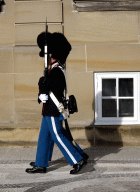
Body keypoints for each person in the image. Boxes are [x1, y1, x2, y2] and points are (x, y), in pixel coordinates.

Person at [25, 32, 89, 174]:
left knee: (57, 136)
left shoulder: (56, 71)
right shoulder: (54, 70)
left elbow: (46, 85)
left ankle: (77, 160)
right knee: (44, 136)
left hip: (53, 109)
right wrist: (41, 91)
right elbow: (46, 86)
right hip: (48, 108)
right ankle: (41, 163)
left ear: (51, 55)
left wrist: (42, 84)